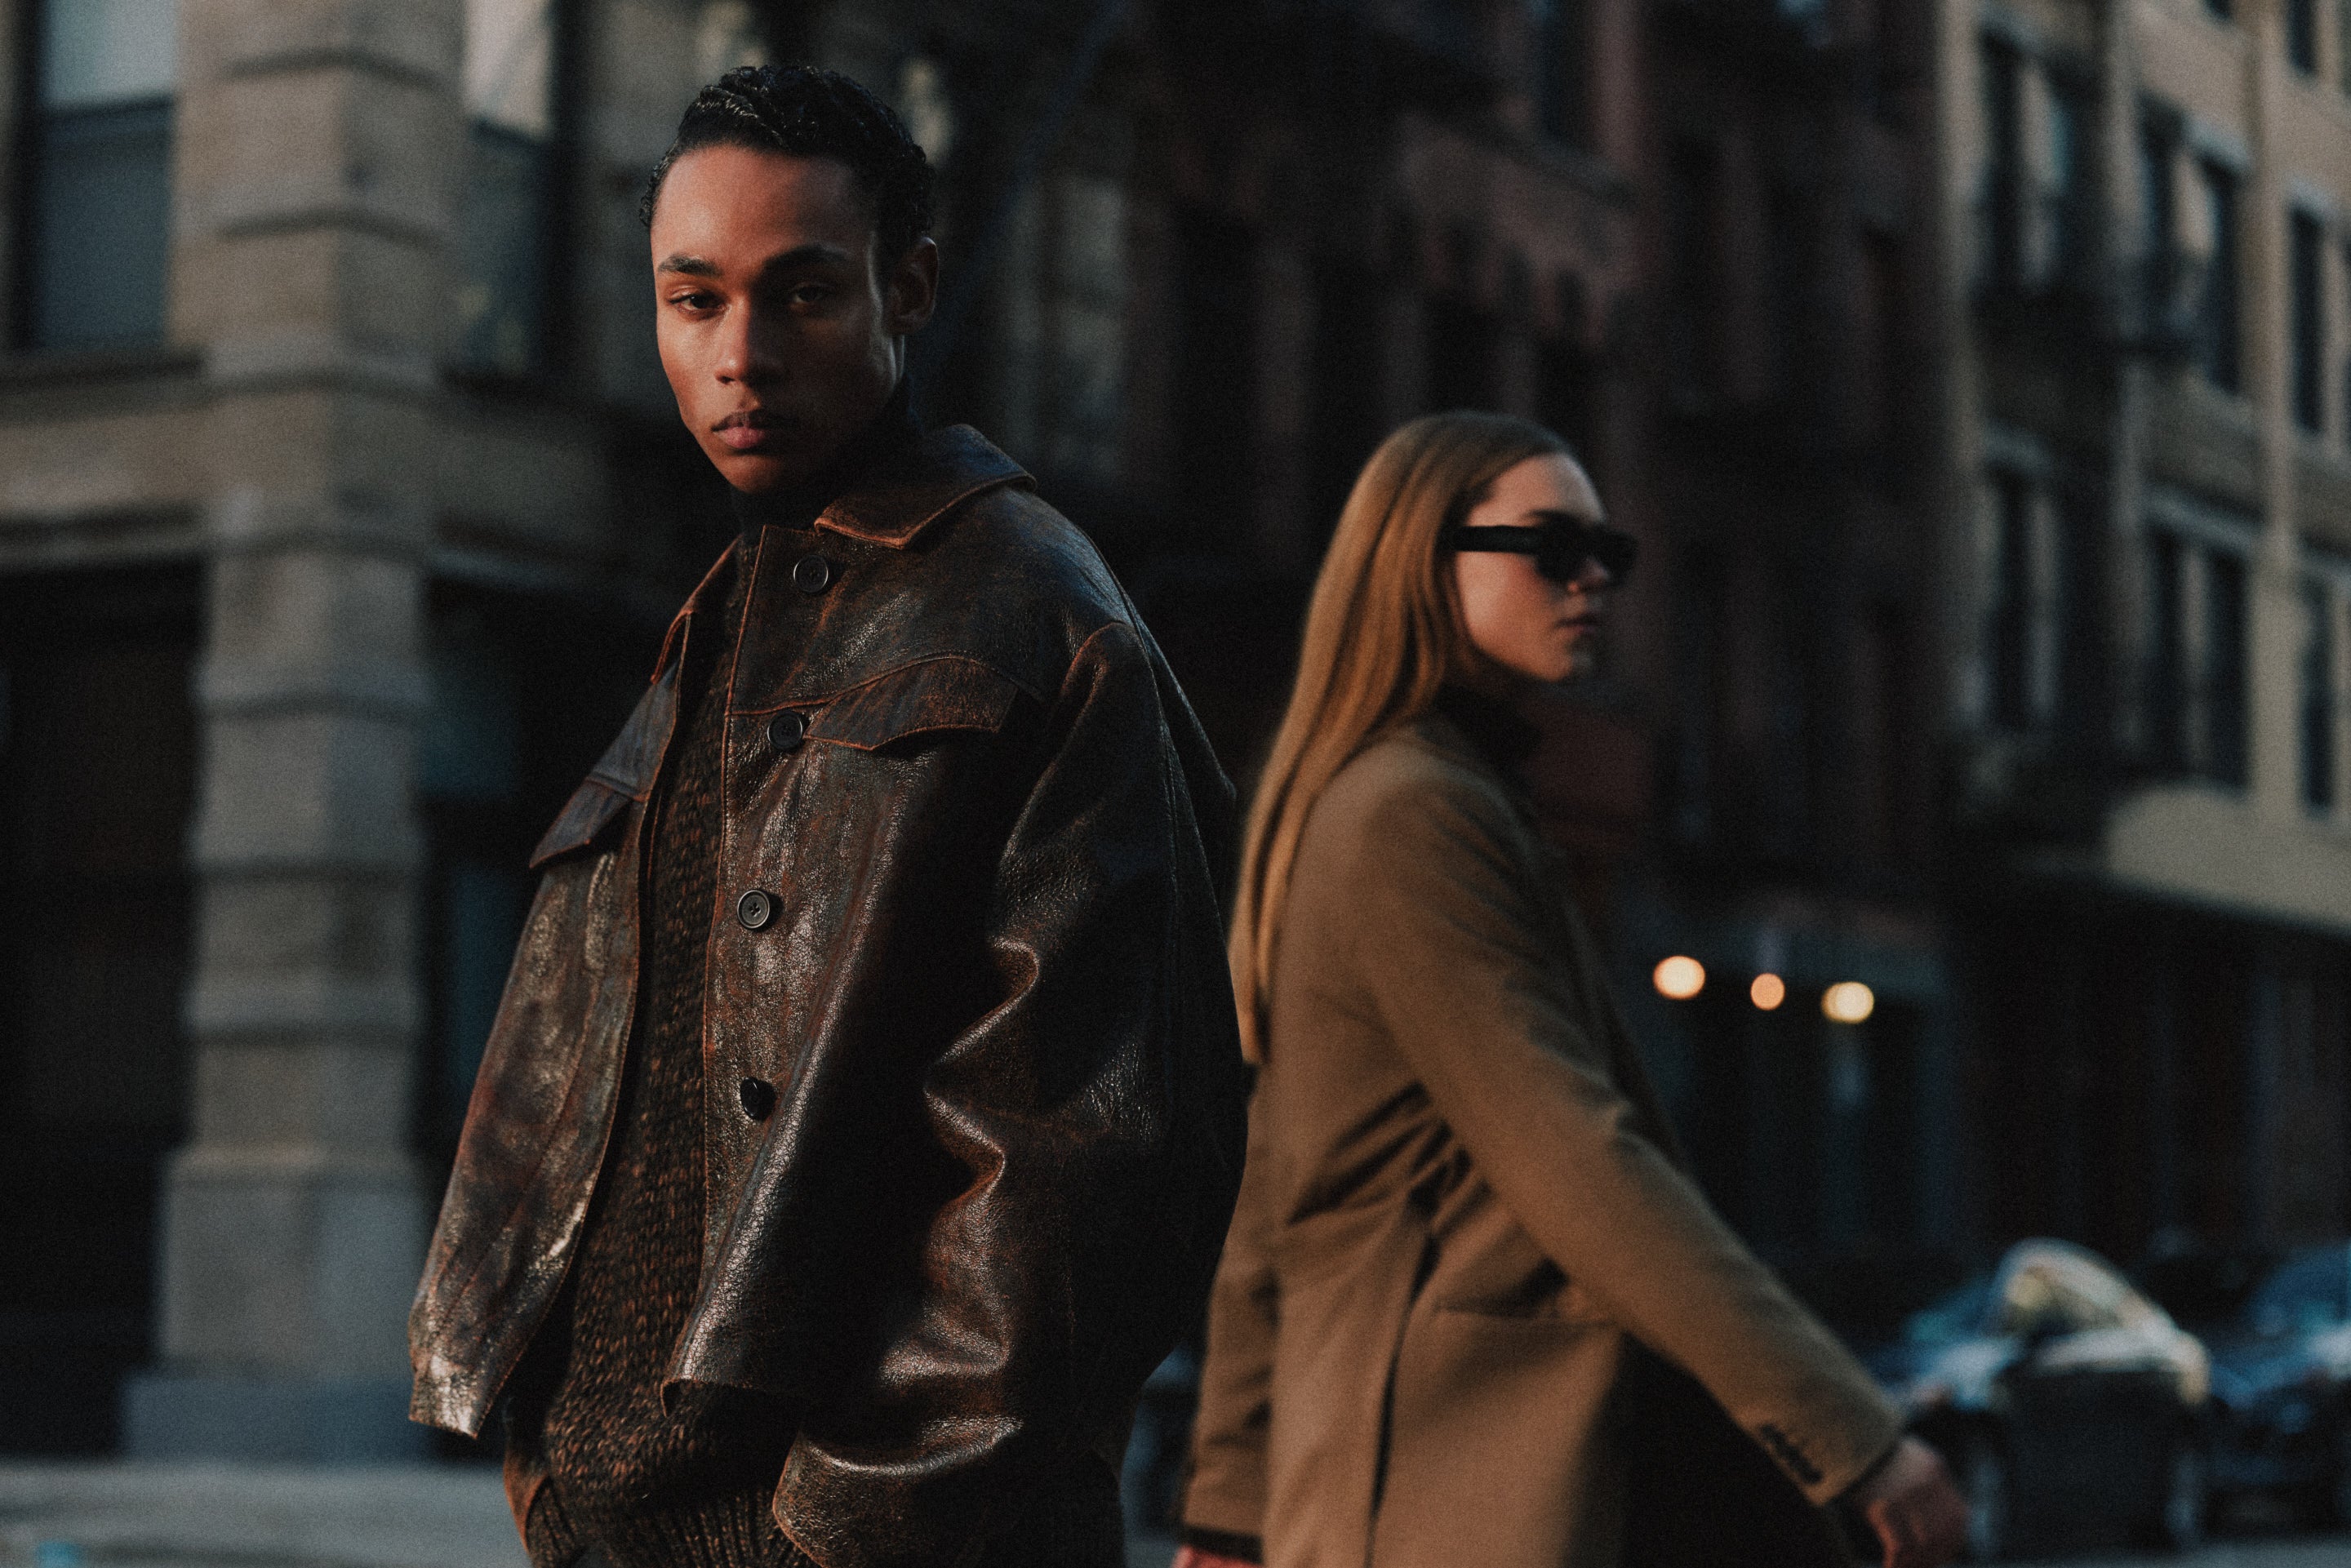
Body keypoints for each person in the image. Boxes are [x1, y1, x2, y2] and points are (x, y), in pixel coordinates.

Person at [407, 66, 1248, 1568]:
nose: (740, 355)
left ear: (906, 290)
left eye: (799, 295)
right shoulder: (731, 617)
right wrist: (547, 1445)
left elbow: (1093, 1165)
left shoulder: (1034, 614)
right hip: (618, 1524)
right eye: (693, 298)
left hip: (842, 1535)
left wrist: (845, 1524)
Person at [1172, 413, 1967, 1568]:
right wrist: (1852, 1433)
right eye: (1550, 546)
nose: (1593, 576)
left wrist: (1230, 1506)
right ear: (1420, 559)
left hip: (1413, 1487)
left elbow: (1277, 1189)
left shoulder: (1420, 794)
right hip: (1455, 1487)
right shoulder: (1413, 811)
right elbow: (1579, 1158)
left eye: (1609, 552)